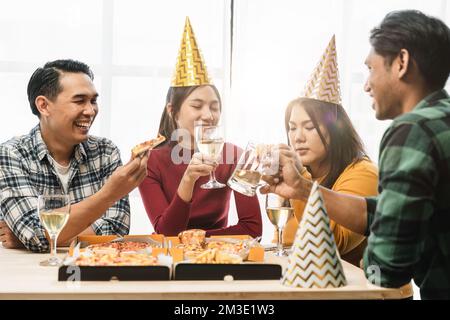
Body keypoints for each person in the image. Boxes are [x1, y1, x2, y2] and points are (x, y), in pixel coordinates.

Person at [262, 10, 450, 299]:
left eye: (371, 69)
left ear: (402, 62)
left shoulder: (412, 130)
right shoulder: (441, 120)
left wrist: (371, 265)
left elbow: (389, 265)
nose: (366, 85)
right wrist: (302, 188)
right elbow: (383, 212)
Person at [0, 59, 148, 252]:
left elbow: (115, 230)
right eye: (79, 101)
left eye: (93, 100)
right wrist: (108, 195)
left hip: (95, 274)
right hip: (33, 278)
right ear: (44, 106)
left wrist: (41, 238)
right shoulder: (11, 154)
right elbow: (35, 233)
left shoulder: (106, 152)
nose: (90, 111)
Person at [138, 18, 262, 237]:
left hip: (218, 260)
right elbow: (166, 233)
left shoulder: (233, 156)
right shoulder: (150, 162)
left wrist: (198, 239)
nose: (208, 115)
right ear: (172, 110)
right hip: (171, 262)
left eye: (215, 107)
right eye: (197, 105)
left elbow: (253, 229)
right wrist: (188, 180)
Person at [276, 36, 378, 267]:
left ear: (336, 130)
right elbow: (284, 244)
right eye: (292, 128)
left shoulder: (363, 173)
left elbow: (334, 244)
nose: (297, 137)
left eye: (309, 127)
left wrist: (300, 184)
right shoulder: (302, 174)